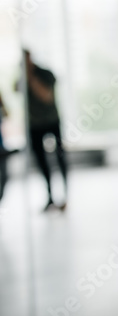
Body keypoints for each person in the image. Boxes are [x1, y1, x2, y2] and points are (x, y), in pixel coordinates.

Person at [20, 50, 68, 212]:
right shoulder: (21, 77)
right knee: (41, 161)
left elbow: (46, 96)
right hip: (34, 126)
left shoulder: (45, 74)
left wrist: (31, 77)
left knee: (60, 157)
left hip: (51, 122)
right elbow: (16, 91)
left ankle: (65, 196)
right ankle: (50, 197)